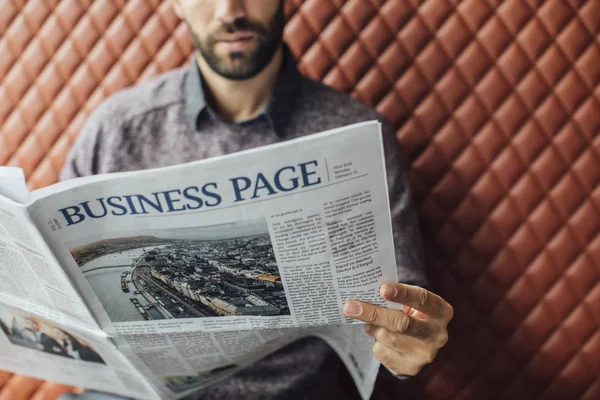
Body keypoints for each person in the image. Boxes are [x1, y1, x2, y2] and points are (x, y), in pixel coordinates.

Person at [60, 0, 453, 398]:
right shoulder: (114, 131)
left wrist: (411, 337)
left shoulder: (355, 134)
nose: (229, 11)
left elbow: (402, 310)